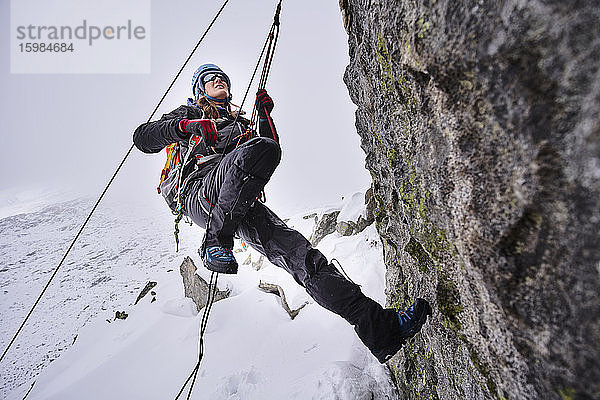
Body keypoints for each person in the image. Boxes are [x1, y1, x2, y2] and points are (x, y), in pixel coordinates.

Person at [133, 63, 431, 363]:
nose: (219, 79)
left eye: (223, 76)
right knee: (260, 150)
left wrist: (264, 115)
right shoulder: (188, 115)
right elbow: (143, 138)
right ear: (199, 89)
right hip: (200, 191)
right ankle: (215, 241)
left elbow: (265, 149)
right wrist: (189, 126)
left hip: (238, 201)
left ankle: (380, 329)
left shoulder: (238, 125)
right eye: (211, 78)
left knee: (306, 260)